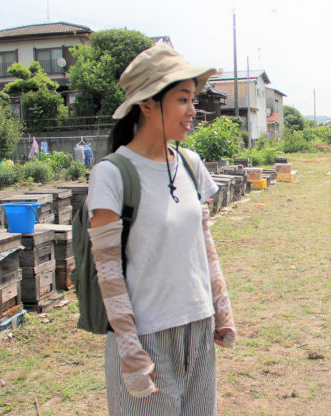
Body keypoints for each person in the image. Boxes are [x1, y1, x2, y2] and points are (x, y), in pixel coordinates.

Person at [86, 45, 235, 415]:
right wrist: (129, 350)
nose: (192, 110)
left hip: (198, 329)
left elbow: (203, 243)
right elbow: (108, 273)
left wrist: (221, 306)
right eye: (183, 99)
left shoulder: (190, 163)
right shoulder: (112, 174)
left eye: (193, 99)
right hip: (147, 336)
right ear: (148, 104)